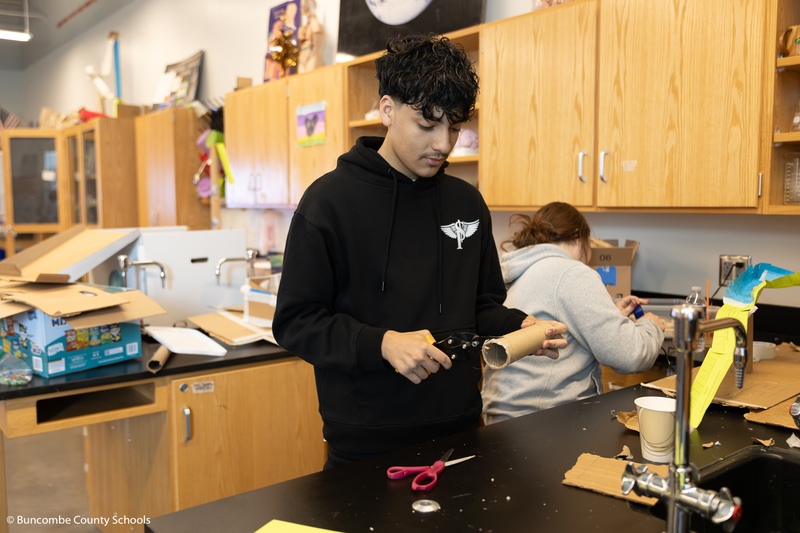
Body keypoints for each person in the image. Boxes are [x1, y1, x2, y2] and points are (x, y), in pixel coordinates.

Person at [273, 33, 568, 469]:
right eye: (427, 125)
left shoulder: (466, 204)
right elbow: (296, 322)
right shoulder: (328, 203)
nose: (443, 144)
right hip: (365, 444)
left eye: (453, 126)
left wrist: (518, 325)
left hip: (461, 433)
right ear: (388, 110)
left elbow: (480, 307)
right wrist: (383, 344)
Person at [481, 202, 666, 425]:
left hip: (503, 417)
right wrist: (651, 325)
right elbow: (631, 356)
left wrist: (610, 315)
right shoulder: (571, 272)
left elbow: (553, 320)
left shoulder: (519, 268)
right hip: (545, 421)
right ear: (580, 239)